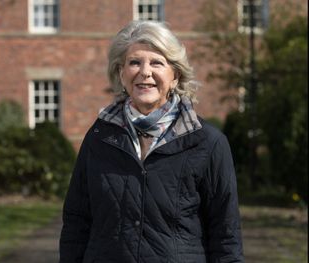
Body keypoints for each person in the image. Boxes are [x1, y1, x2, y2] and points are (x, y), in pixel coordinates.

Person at [59, 20, 244, 263]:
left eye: (157, 62)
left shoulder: (208, 142)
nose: (145, 72)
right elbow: (76, 222)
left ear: (175, 76)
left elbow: (226, 235)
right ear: (121, 73)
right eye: (135, 62)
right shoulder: (99, 137)